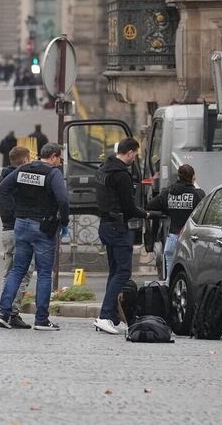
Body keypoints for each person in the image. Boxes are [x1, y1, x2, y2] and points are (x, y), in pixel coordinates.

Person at [0, 142, 70, 331]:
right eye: (59, 158)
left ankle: (3, 313)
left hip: (21, 224)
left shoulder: (23, 169)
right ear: (52, 156)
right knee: (44, 273)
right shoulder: (53, 173)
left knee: (17, 270)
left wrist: (16, 212)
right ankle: (42, 320)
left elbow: (2, 189)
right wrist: (65, 222)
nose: (60, 162)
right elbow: (62, 198)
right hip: (43, 226)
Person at [94, 137, 162, 335]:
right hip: (117, 227)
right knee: (123, 273)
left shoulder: (103, 169)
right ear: (130, 152)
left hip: (105, 224)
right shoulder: (121, 174)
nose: (135, 158)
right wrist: (148, 214)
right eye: (135, 154)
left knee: (115, 271)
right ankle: (105, 316)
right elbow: (128, 207)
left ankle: (113, 318)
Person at [0, 145, 34, 329]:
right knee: (23, 272)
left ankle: (3, 310)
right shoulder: (21, 179)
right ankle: (12, 312)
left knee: (8, 273)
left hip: (6, 230)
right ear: (25, 159)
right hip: (19, 228)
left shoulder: (2, 179)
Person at [147, 164, 206, 280]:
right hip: (191, 240)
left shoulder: (167, 193)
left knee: (171, 279)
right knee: (191, 278)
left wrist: (168, 211)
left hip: (172, 239)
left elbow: (150, 205)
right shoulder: (198, 194)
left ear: (179, 177)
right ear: (193, 177)